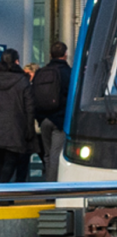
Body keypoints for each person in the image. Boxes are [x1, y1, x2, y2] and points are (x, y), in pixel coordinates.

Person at [34, 41, 71, 182]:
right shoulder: (68, 73)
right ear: (65, 54)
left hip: (43, 119)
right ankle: (52, 187)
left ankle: (48, 183)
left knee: (48, 155)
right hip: (60, 120)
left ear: (50, 55)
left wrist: (39, 117)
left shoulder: (40, 72)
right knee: (56, 155)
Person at [0, 49, 35, 183]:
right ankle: (4, 190)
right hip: (15, 130)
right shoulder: (22, 81)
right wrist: (29, 130)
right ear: (17, 61)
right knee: (10, 164)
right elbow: (29, 108)